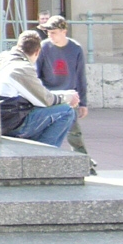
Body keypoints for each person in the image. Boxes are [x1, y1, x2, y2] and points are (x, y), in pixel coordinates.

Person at [0, 30, 78, 147]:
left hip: (0, 119)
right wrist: (68, 97)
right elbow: (44, 100)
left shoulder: (2, 59)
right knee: (66, 111)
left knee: (42, 112)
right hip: (13, 123)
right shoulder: (21, 68)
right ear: (37, 51)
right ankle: (45, 152)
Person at [37, 15, 95, 172]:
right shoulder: (43, 47)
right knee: (47, 131)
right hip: (49, 96)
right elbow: (36, 74)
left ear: (64, 31)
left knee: (74, 133)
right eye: (48, 32)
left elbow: (80, 76)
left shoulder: (75, 49)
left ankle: (85, 163)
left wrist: (83, 103)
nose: (50, 36)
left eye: (54, 32)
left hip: (70, 97)